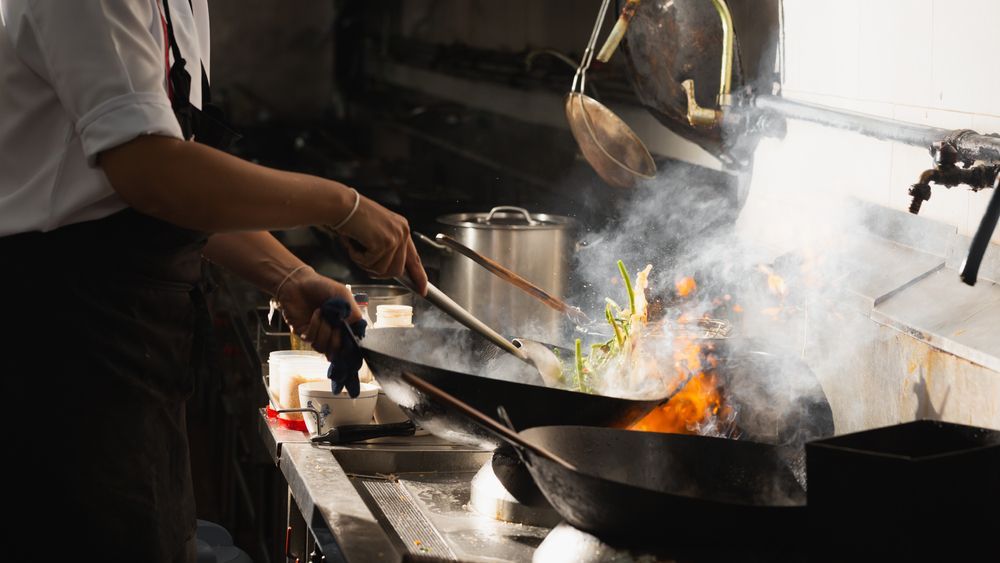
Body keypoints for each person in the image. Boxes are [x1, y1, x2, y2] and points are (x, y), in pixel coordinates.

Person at [0, 2, 427, 561]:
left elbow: (176, 174)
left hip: (129, 349)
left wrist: (289, 275)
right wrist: (339, 204)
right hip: (59, 355)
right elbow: (150, 172)